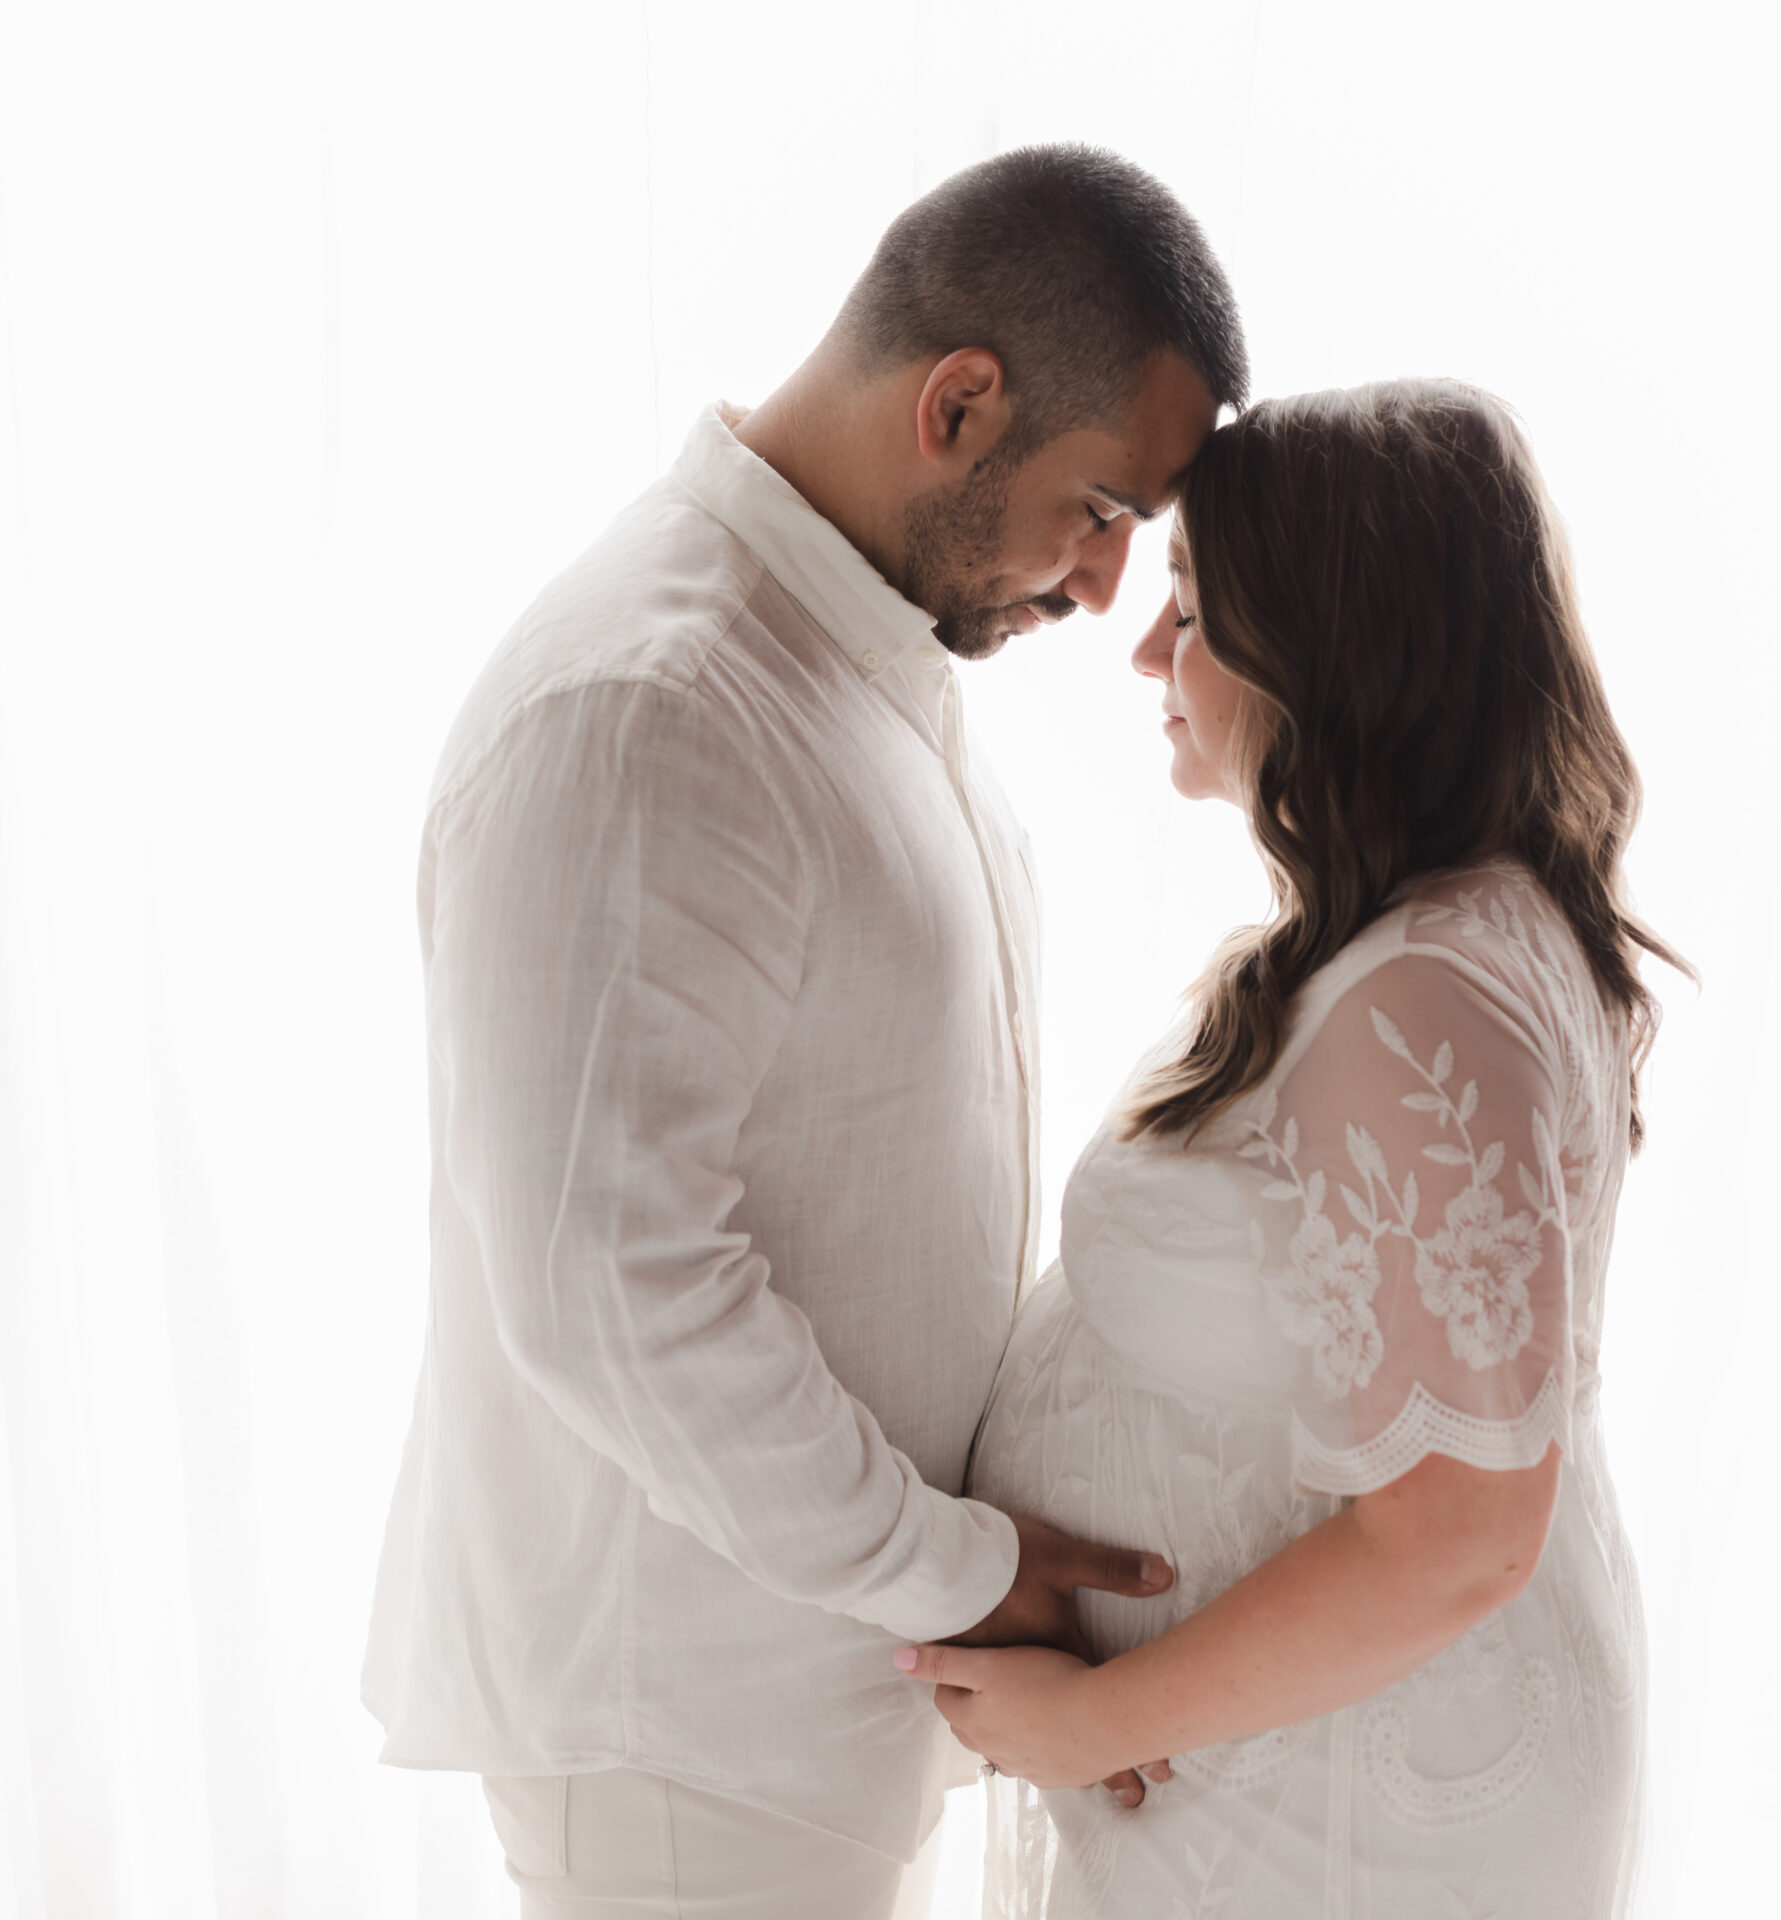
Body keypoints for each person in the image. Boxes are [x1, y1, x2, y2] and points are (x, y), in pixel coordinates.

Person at [359, 145, 1247, 1920]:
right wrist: (953, 1568)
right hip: (680, 1729)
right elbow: (607, 1287)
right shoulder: (655, 704)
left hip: (807, 1692)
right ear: (960, 403)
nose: (1100, 591)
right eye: (1096, 507)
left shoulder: (845, 659)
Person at [911, 379, 1685, 1918]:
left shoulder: (1421, 998)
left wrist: (1088, 1724)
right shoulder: (1437, 938)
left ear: (1331, 656)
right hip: (1324, 1764)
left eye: (1191, 611)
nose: (1146, 648)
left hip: (1363, 1802)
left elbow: (1460, 1534)